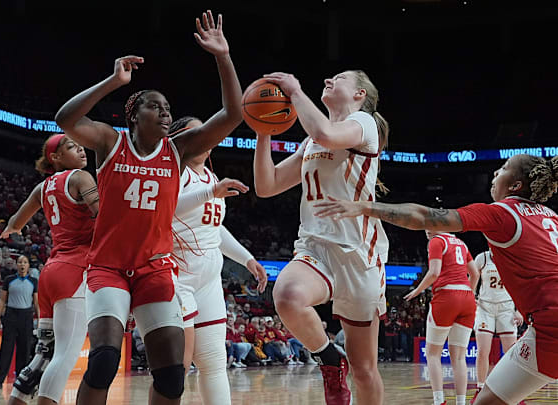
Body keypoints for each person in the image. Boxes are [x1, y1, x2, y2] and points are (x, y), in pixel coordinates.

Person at [314, 154, 558, 405]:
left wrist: (367, 207)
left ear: (515, 184)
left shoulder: (501, 214)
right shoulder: (551, 217)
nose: (494, 174)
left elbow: (428, 216)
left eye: (501, 169)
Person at [54, 11, 242, 405]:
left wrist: (223, 57)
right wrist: (114, 81)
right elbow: (65, 118)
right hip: (108, 268)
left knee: (173, 375)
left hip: (154, 269)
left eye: (168, 108)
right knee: (104, 361)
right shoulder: (109, 142)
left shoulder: (177, 150)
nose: (166, 113)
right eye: (155, 107)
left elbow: (233, 115)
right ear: (133, 115)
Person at [255, 69, 390, 405]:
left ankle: (345, 367)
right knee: (286, 296)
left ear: (359, 94)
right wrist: (262, 132)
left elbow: (327, 132)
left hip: (359, 256)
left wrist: (295, 90)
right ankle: (329, 358)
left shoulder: (365, 123)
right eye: (328, 76)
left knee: (364, 371)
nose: (328, 78)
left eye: (339, 78)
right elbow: (267, 185)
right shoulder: (310, 140)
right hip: (316, 247)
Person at [169, 115, 267, 404]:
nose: (204, 136)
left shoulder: (211, 178)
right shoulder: (174, 172)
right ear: (178, 140)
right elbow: (167, 209)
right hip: (177, 277)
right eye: (195, 132)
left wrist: (247, 259)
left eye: (207, 131)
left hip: (209, 281)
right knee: (178, 365)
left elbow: (215, 228)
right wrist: (211, 192)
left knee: (214, 363)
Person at [0, 133, 99, 405]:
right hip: (75, 270)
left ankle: (16, 400)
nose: (80, 148)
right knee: (65, 355)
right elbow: (103, 215)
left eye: (81, 145)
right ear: (55, 158)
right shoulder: (81, 177)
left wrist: (11, 229)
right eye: (71, 146)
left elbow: (15, 223)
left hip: (50, 273)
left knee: (45, 353)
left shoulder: (42, 188)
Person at [404, 230, 479, 405]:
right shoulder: (461, 243)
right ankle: (461, 402)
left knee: (432, 354)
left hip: (446, 296)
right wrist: (471, 294)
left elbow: (434, 272)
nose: (426, 230)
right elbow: (475, 274)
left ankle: (439, 401)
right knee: (460, 357)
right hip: (467, 297)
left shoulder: (437, 241)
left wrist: (417, 290)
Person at [470, 250, 524, 404]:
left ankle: (513, 391)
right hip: (485, 308)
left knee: (511, 354)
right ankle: (480, 388)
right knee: (482, 351)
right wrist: (470, 296)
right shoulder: (482, 257)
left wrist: (519, 310)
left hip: (506, 309)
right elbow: (472, 277)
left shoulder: (513, 257)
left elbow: (520, 286)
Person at [0, 255, 39, 389]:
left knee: (24, 349)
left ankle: (21, 379)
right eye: (20, 262)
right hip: (11, 315)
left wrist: (40, 319)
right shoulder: (9, 280)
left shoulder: (33, 281)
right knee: (6, 348)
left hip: (26, 316)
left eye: (25, 262)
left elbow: (36, 303)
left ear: (28, 265)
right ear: (16, 265)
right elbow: (2, 301)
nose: (22, 265)